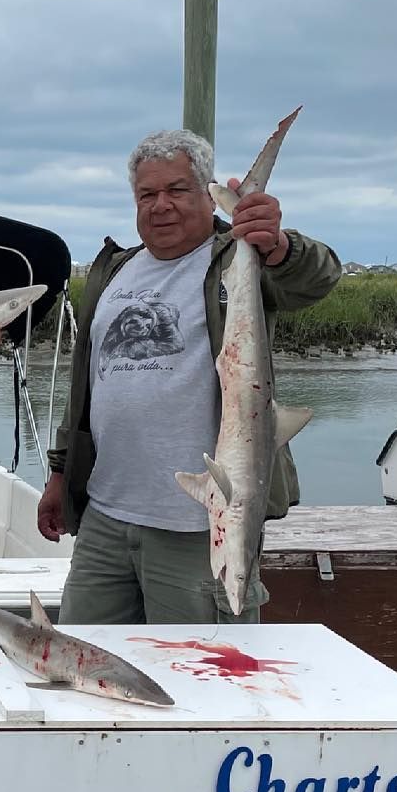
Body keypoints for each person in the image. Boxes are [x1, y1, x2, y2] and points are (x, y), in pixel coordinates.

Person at [38, 127, 341, 625]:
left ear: (208, 194)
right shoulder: (113, 271)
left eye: (177, 190)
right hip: (105, 520)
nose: (160, 206)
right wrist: (59, 473)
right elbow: (90, 387)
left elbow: (317, 278)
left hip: (199, 526)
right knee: (89, 667)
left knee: (204, 679)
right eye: (147, 194)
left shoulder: (240, 259)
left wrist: (280, 246)